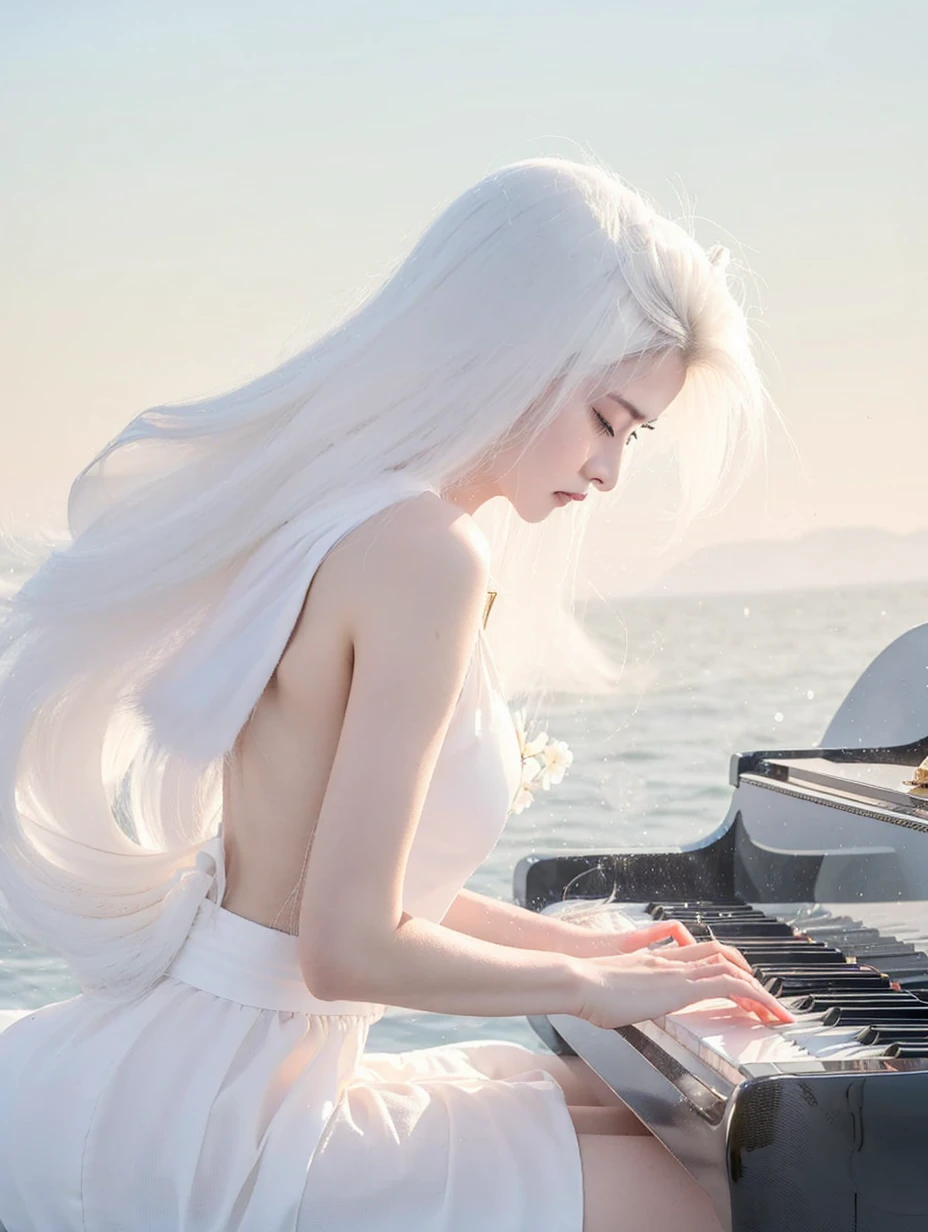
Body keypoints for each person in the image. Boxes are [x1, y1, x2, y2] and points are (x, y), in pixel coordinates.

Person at [0, 155, 794, 1232]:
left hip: (232, 1063)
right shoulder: (424, 553)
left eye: (632, 434)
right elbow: (346, 942)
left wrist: (588, 948)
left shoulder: (363, 513)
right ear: (522, 354)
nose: (608, 470)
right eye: (606, 417)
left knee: (628, 1116)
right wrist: (586, 992)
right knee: (714, 1201)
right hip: (241, 1116)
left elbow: (371, 884)